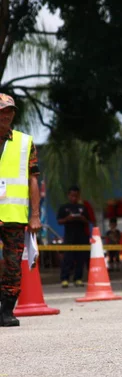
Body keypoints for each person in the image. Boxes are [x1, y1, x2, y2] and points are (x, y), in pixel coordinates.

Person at [0, 93, 42, 327]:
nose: (5, 115)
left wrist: (35, 215)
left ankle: (6, 311)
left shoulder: (25, 142)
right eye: (1, 111)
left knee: (14, 266)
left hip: (15, 216)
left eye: (9, 111)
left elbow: (33, 180)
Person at [57, 186, 91, 288]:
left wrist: (81, 218)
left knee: (81, 259)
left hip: (81, 237)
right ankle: (64, 279)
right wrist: (68, 218)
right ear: (68, 195)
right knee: (67, 258)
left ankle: (78, 279)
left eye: (76, 196)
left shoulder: (83, 207)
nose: (74, 198)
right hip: (69, 237)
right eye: (72, 196)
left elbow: (88, 221)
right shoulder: (64, 208)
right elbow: (59, 221)